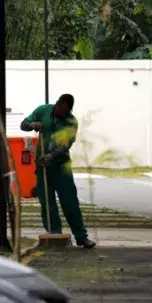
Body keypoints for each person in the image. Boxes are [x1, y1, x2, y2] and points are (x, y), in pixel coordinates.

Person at [20, 94, 96, 249]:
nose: (64, 114)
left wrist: (51, 156)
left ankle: (81, 237)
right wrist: (32, 124)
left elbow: (65, 146)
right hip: (42, 166)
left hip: (61, 166)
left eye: (67, 112)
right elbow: (23, 125)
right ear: (58, 105)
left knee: (70, 202)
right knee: (47, 202)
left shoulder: (71, 121)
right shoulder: (43, 111)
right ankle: (54, 235)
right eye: (62, 111)